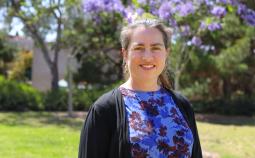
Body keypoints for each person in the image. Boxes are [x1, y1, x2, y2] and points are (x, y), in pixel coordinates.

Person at [78, 18, 202, 158]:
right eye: (139, 48)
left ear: (166, 53)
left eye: (155, 48)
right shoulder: (104, 109)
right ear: (125, 54)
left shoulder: (182, 105)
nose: (147, 57)